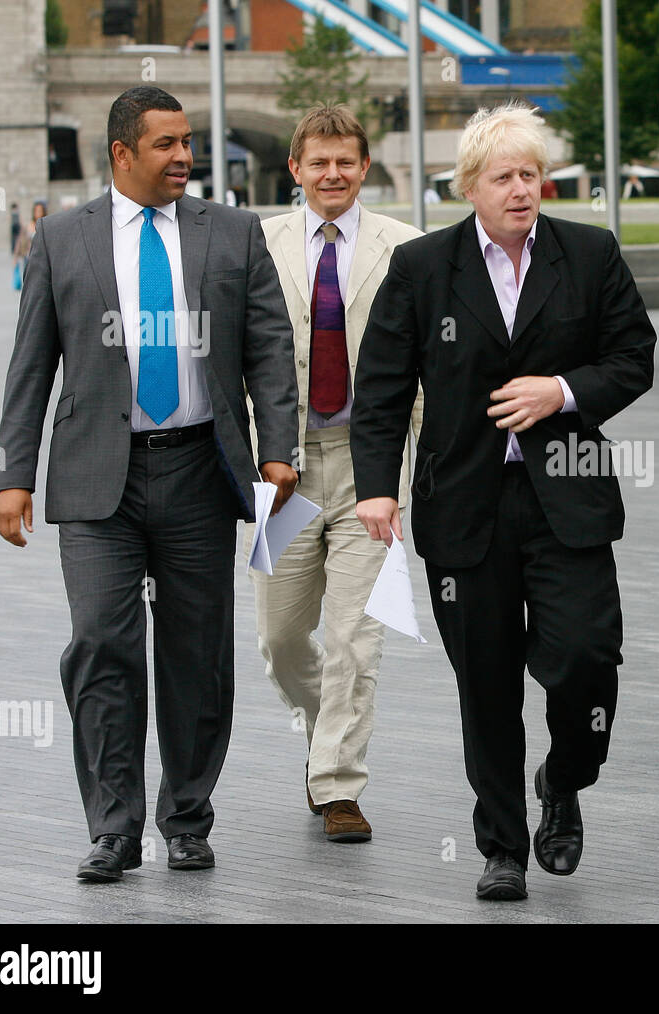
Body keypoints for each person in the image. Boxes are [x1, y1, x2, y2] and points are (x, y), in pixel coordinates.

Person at [0, 86, 299, 880]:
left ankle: (188, 818)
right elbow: (31, 365)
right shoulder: (61, 239)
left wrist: (278, 449)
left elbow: (269, 349)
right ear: (123, 153)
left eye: (188, 141)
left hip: (202, 468)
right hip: (98, 480)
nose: (185, 157)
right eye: (166, 144)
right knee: (101, 643)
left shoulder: (233, 233)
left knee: (198, 652)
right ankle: (113, 826)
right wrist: (12, 474)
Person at [351, 102, 655, 901]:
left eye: (530, 175)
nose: (521, 190)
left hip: (569, 504)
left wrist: (560, 390)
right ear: (470, 187)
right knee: (485, 682)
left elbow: (634, 359)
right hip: (463, 508)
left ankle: (564, 777)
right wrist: (377, 489)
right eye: (503, 177)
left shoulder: (588, 255)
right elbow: (381, 391)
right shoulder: (422, 268)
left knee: (587, 658)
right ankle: (502, 848)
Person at [251, 104, 424, 843]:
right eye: (317, 162)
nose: (332, 174)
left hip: (370, 466)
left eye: (345, 162)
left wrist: (416, 442)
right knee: (281, 639)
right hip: (284, 470)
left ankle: (337, 786)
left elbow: (428, 357)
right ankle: (329, 742)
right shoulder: (257, 244)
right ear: (295, 169)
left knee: (357, 634)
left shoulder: (406, 248)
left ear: (363, 166)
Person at [14, 200, 48, 279]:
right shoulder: (28, 226)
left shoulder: (47, 225)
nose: (38, 213)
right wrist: (15, 257)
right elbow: (20, 241)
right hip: (29, 256)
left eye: (40, 211)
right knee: (29, 278)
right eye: (36, 211)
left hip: (43, 257)